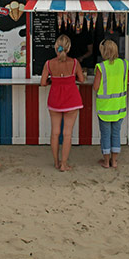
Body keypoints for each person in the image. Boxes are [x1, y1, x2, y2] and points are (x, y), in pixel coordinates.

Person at [40, 34, 85, 171]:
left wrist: (51, 80)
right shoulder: (75, 63)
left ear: (56, 47)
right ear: (69, 48)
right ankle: (64, 164)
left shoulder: (49, 63)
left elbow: (42, 83)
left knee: (55, 133)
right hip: (72, 99)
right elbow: (82, 79)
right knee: (67, 134)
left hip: (55, 100)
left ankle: (56, 162)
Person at [93, 39, 128, 169]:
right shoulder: (124, 64)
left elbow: (96, 87)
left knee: (106, 135)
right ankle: (115, 161)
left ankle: (106, 162)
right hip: (119, 106)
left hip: (105, 109)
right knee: (116, 134)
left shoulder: (101, 67)